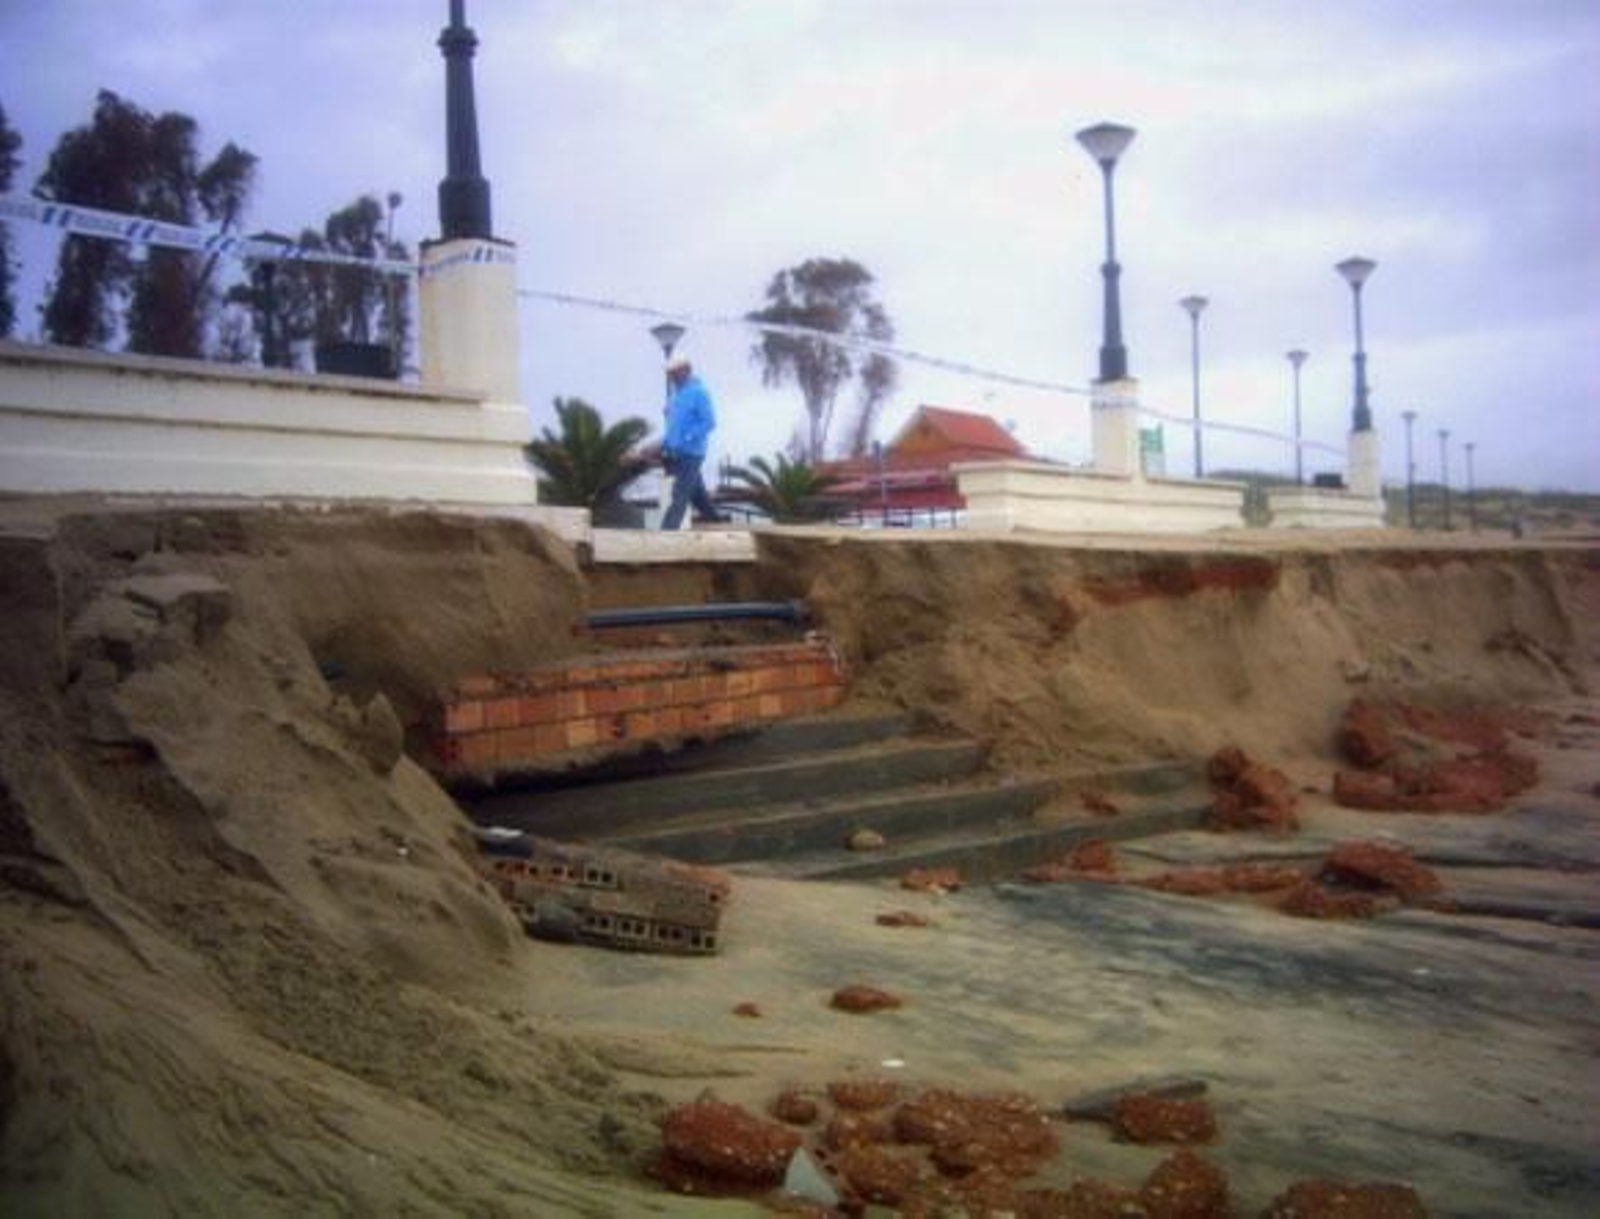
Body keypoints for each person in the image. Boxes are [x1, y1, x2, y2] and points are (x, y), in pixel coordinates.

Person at [659, 353, 727, 529]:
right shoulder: (674, 397)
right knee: (698, 495)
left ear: (687, 370)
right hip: (675, 453)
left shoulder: (699, 392)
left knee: (679, 495)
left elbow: (709, 422)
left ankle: (664, 537)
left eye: (675, 372)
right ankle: (717, 524)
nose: (672, 376)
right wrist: (664, 444)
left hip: (692, 453)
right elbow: (671, 427)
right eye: (670, 373)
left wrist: (688, 437)